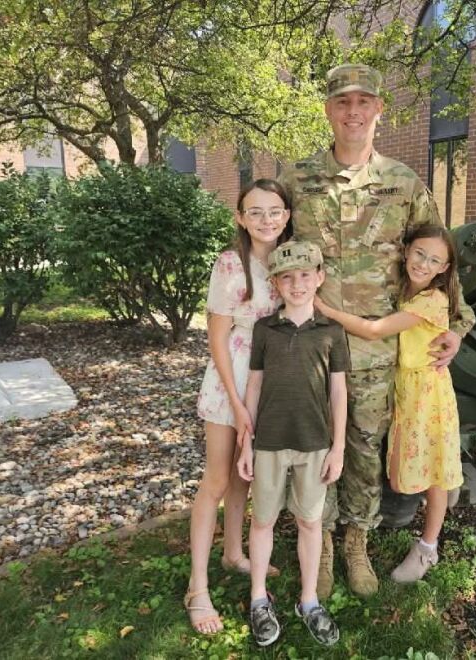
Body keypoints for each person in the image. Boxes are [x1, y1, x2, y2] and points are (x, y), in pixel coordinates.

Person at [279, 63, 475, 597]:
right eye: (343, 102)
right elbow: (266, 248)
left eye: (364, 102)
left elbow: (440, 256)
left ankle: (355, 544)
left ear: (379, 110)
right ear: (328, 110)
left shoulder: (404, 182)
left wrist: (456, 324)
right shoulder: (298, 180)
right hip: (310, 344)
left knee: (364, 448)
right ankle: (316, 545)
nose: (353, 112)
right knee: (315, 448)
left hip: (374, 352)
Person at [315, 224, 463, 582]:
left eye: (435, 261)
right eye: (420, 254)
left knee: (435, 473)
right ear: (406, 250)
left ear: (445, 268)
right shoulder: (405, 290)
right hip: (406, 391)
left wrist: (322, 308)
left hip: (427, 396)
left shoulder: (432, 299)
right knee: (418, 466)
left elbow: (375, 330)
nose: (424, 264)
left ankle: (428, 548)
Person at [184, 179, 291, 634]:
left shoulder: (292, 259)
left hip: (272, 382)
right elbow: (217, 339)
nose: (267, 220)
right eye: (256, 211)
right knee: (217, 478)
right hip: (233, 380)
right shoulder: (231, 263)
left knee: (243, 478)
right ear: (240, 218)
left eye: (275, 210)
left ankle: (233, 553)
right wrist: (235, 400)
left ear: (286, 214)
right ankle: (197, 586)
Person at [236, 240, 349, 647]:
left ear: (319, 278)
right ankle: (258, 598)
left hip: (315, 442)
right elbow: (254, 383)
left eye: (305, 275)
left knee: (309, 522)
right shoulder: (265, 329)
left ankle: (309, 600)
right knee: (263, 520)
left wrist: (338, 447)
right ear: (277, 283)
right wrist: (245, 441)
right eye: (287, 277)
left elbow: (339, 392)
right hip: (268, 441)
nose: (297, 284)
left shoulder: (331, 332)